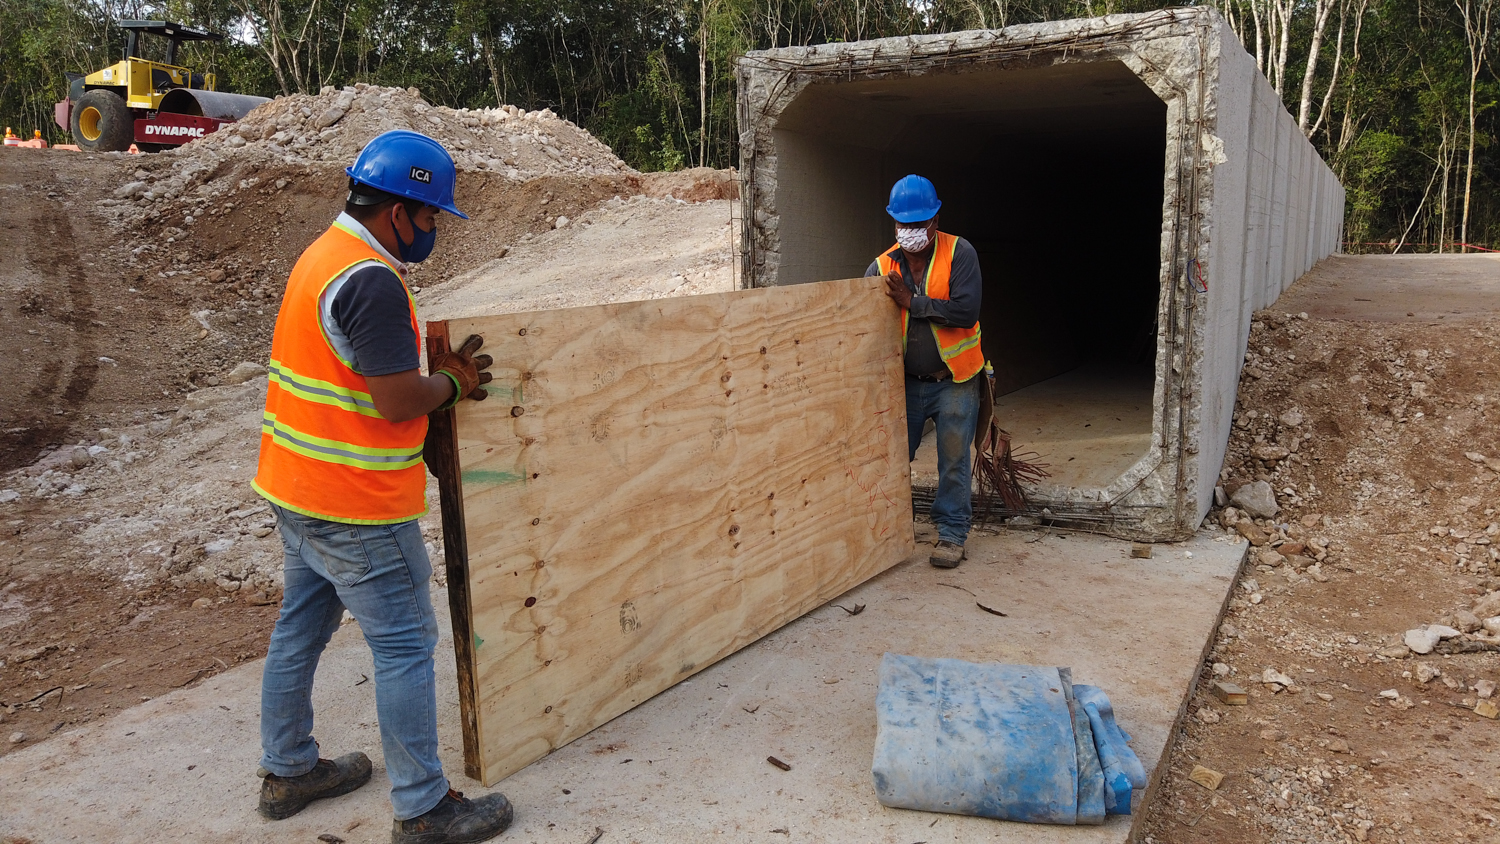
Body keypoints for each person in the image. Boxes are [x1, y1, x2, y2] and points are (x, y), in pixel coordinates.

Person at [250, 129, 512, 844]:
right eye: (429, 218)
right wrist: (453, 383)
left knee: (299, 626)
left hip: (297, 489)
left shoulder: (324, 255)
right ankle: (423, 808)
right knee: (404, 645)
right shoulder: (371, 278)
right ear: (399, 210)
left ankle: (289, 769)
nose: (431, 232)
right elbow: (397, 399)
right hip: (355, 507)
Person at [866, 175, 984, 569]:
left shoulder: (960, 253)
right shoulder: (881, 267)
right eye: (904, 225)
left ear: (935, 220)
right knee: (895, 458)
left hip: (954, 380)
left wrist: (912, 302)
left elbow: (966, 311)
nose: (911, 232)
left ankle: (951, 534)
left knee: (953, 461)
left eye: (919, 225)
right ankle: (890, 530)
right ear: (893, 222)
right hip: (906, 385)